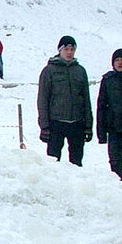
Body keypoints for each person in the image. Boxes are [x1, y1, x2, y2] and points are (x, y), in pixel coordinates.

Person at [37, 35, 92, 166]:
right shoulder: (49, 71)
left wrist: (88, 126)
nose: (69, 52)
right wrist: (44, 126)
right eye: (66, 49)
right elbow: (43, 99)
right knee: (53, 161)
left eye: (72, 49)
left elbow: (86, 99)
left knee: (77, 162)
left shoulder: (80, 71)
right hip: (56, 123)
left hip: (77, 123)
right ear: (60, 50)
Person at [96, 48, 122, 181]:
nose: (120, 63)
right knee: (115, 165)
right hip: (114, 129)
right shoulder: (108, 79)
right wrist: (101, 132)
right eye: (117, 60)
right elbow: (101, 106)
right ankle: (119, 188)